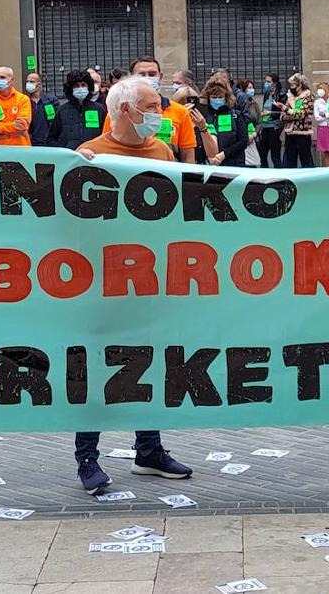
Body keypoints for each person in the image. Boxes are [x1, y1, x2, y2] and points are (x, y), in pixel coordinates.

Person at [72, 76, 194, 493]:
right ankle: (87, 456)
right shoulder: (90, 155)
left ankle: (149, 449)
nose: (159, 115)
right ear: (124, 109)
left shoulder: (161, 151)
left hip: (151, 278)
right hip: (101, 283)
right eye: (151, 106)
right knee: (95, 364)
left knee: (153, 360)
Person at [128, 56, 204, 163]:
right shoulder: (120, 112)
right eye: (141, 75)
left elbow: (188, 157)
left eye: (152, 74)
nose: (147, 78)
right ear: (131, 78)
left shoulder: (180, 112)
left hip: (170, 176)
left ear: (161, 76)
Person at [49, 69, 108, 150]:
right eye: (77, 86)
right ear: (71, 88)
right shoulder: (62, 110)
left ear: (89, 87)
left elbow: (106, 135)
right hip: (69, 158)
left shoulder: (99, 109)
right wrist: (64, 150)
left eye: (83, 85)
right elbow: (51, 138)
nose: (80, 88)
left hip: (93, 157)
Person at [201, 71, 250, 167]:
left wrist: (224, 154)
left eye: (220, 97)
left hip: (234, 164)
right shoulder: (204, 116)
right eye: (214, 97)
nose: (217, 100)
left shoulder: (236, 115)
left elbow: (243, 141)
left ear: (226, 97)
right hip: (210, 164)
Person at [0, 67, 33, 146]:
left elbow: (22, 125)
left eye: (2, 77)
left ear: (12, 80)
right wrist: (13, 126)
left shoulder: (23, 99)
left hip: (20, 148)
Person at [282, 73, 316, 168]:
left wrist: (287, 110)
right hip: (290, 133)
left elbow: (301, 114)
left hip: (303, 133)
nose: (290, 87)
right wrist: (289, 113)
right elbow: (282, 116)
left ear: (300, 85)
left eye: (293, 85)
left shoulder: (308, 97)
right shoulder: (290, 97)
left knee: (306, 161)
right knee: (289, 162)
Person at [257, 74, 285, 168]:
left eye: (269, 82)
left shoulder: (281, 95)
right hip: (265, 126)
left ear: (275, 83)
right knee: (262, 153)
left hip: (274, 126)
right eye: (265, 81)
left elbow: (282, 112)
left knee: (275, 155)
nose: (266, 84)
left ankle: (279, 178)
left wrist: (269, 113)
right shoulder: (267, 94)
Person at [26, 72, 53, 146]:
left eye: (31, 82)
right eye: (27, 81)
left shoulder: (50, 101)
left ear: (39, 84)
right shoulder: (25, 101)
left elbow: (54, 122)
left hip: (47, 143)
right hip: (31, 143)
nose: (28, 84)